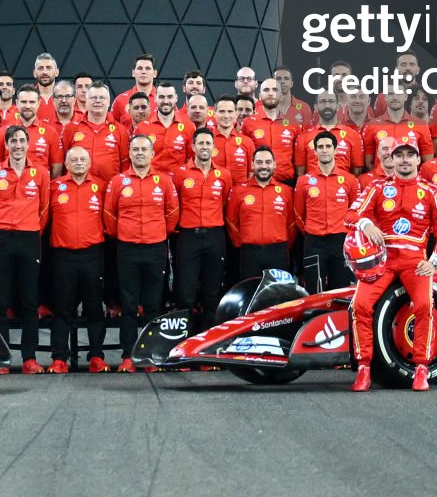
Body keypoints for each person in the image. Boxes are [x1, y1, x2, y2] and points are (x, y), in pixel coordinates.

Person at [346, 140, 437, 392]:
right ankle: (364, 370)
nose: (404, 160)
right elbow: (350, 216)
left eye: (410, 155)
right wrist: (366, 225)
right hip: (381, 260)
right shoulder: (377, 187)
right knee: (360, 305)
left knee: (425, 305)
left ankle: (421, 369)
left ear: (419, 161)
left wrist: (434, 262)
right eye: (399, 156)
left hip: (415, 261)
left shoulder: (433, 192)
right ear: (390, 160)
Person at [103, 134, 178, 370]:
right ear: (130, 153)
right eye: (135, 149)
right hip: (127, 248)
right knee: (128, 305)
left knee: (154, 305)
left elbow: (172, 214)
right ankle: (128, 355)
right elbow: (109, 215)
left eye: (144, 149)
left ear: (152, 154)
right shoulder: (118, 181)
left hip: (156, 248)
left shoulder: (164, 181)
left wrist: (156, 234)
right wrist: (127, 234)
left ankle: (151, 354)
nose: (139, 153)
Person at [0, 125, 47, 373]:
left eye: (22, 140)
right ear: (7, 145)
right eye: (13, 141)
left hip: (30, 238)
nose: (18, 145)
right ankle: (1, 358)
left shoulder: (40, 173)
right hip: (2, 239)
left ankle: (29, 358)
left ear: (28, 144)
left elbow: (45, 209)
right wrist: (2, 229)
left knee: (30, 300)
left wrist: (30, 228)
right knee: (1, 301)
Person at [47, 147, 108, 373]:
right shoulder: (55, 187)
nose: (79, 163)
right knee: (62, 309)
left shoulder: (100, 186)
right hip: (63, 257)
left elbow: (109, 218)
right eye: (74, 160)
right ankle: (59, 358)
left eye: (83, 159)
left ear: (90, 163)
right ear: (66, 163)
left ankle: (96, 356)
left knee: (94, 308)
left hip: (92, 255)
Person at [171, 127, 231, 330]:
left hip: (215, 237)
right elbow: (175, 203)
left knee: (211, 292)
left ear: (214, 148)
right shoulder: (180, 174)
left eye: (208, 143)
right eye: (201, 143)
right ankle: (183, 347)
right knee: (185, 292)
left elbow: (224, 204)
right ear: (193, 146)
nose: (204, 147)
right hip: (189, 237)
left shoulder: (223, 175)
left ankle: (206, 348)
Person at [294, 130, 361, 290]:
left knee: (340, 287)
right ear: (315, 151)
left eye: (328, 146)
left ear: (335, 150)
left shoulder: (349, 180)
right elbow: (298, 214)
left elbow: (355, 212)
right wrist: (311, 231)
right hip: (314, 242)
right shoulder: (304, 181)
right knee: (314, 288)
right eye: (320, 147)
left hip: (341, 241)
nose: (324, 150)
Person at [226, 146, 296, 282]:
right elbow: (231, 221)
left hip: (278, 252)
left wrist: (283, 244)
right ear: (252, 164)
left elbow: (292, 224)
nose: (264, 166)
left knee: (279, 296)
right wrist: (242, 243)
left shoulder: (287, 191)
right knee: (252, 294)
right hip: (249, 253)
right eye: (259, 162)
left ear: (274, 164)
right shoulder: (238, 191)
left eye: (268, 162)